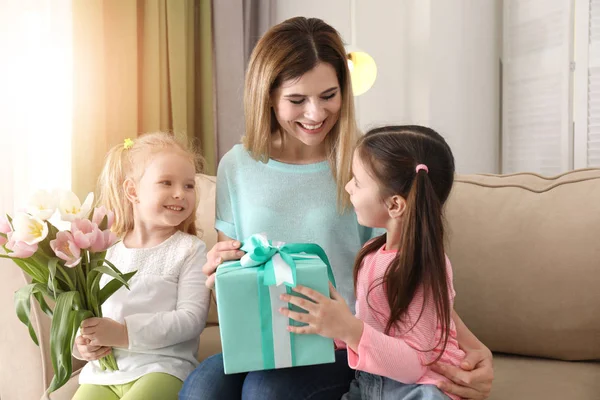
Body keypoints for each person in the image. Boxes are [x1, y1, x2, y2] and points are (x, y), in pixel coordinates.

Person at [180, 17, 493, 400]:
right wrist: (219, 275)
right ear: (268, 96)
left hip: (345, 340)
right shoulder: (237, 166)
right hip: (265, 334)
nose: (315, 114)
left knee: (267, 391)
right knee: (202, 388)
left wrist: (475, 347)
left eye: (328, 95)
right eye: (297, 100)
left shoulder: (368, 166)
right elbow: (236, 270)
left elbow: (409, 270)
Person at [280, 125, 464, 399]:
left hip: (421, 389)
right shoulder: (371, 254)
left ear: (395, 205)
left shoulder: (422, 267)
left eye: (357, 181)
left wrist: (350, 329)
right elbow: (375, 326)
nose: (347, 187)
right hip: (370, 383)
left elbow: (415, 364)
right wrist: (334, 329)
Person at [72, 133, 211, 400]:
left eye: (189, 186)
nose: (180, 194)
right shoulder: (104, 248)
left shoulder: (190, 250)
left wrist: (124, 333)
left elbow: (191, 320)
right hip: (103, 374)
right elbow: (86, 315)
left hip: (163, 368)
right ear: (132, 191)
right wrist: (82, 347)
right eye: (166, 183)